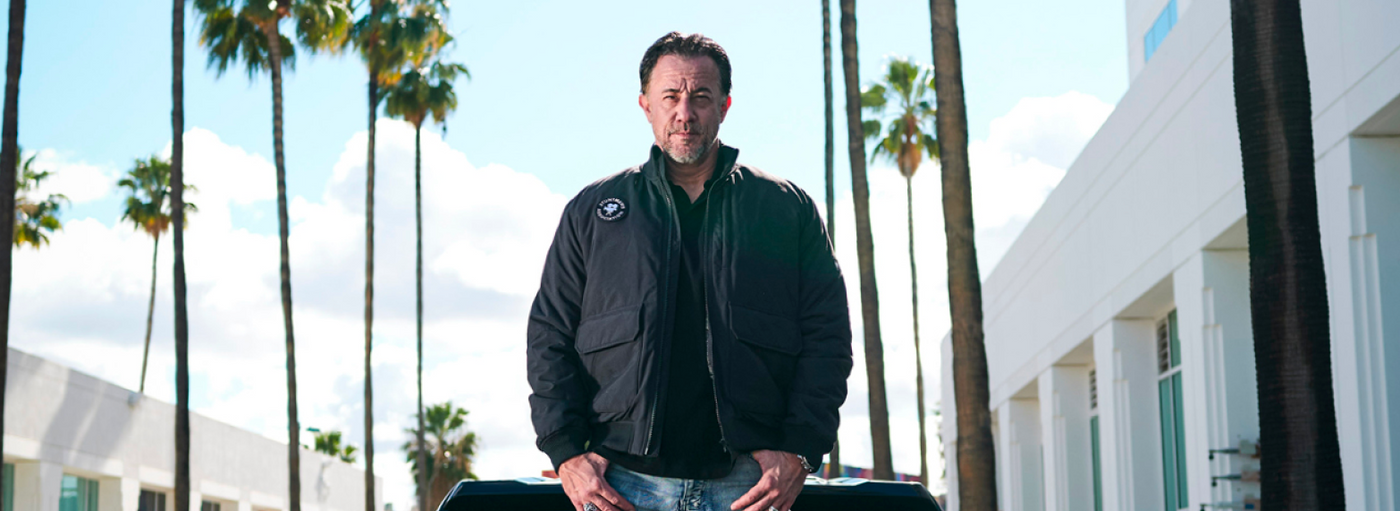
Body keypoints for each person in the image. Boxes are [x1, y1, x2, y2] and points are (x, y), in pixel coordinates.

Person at [526, 32, 852, 511]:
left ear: (725, 104)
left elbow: (828, 336)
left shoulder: (785, 208)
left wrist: (801, 449)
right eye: (671, 97)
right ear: (645, 105)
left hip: (752, 487)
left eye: (701, 97)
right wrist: (567, 452)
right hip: (621, 486)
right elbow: (549, 335)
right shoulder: (593, 211)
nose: (685, 113)